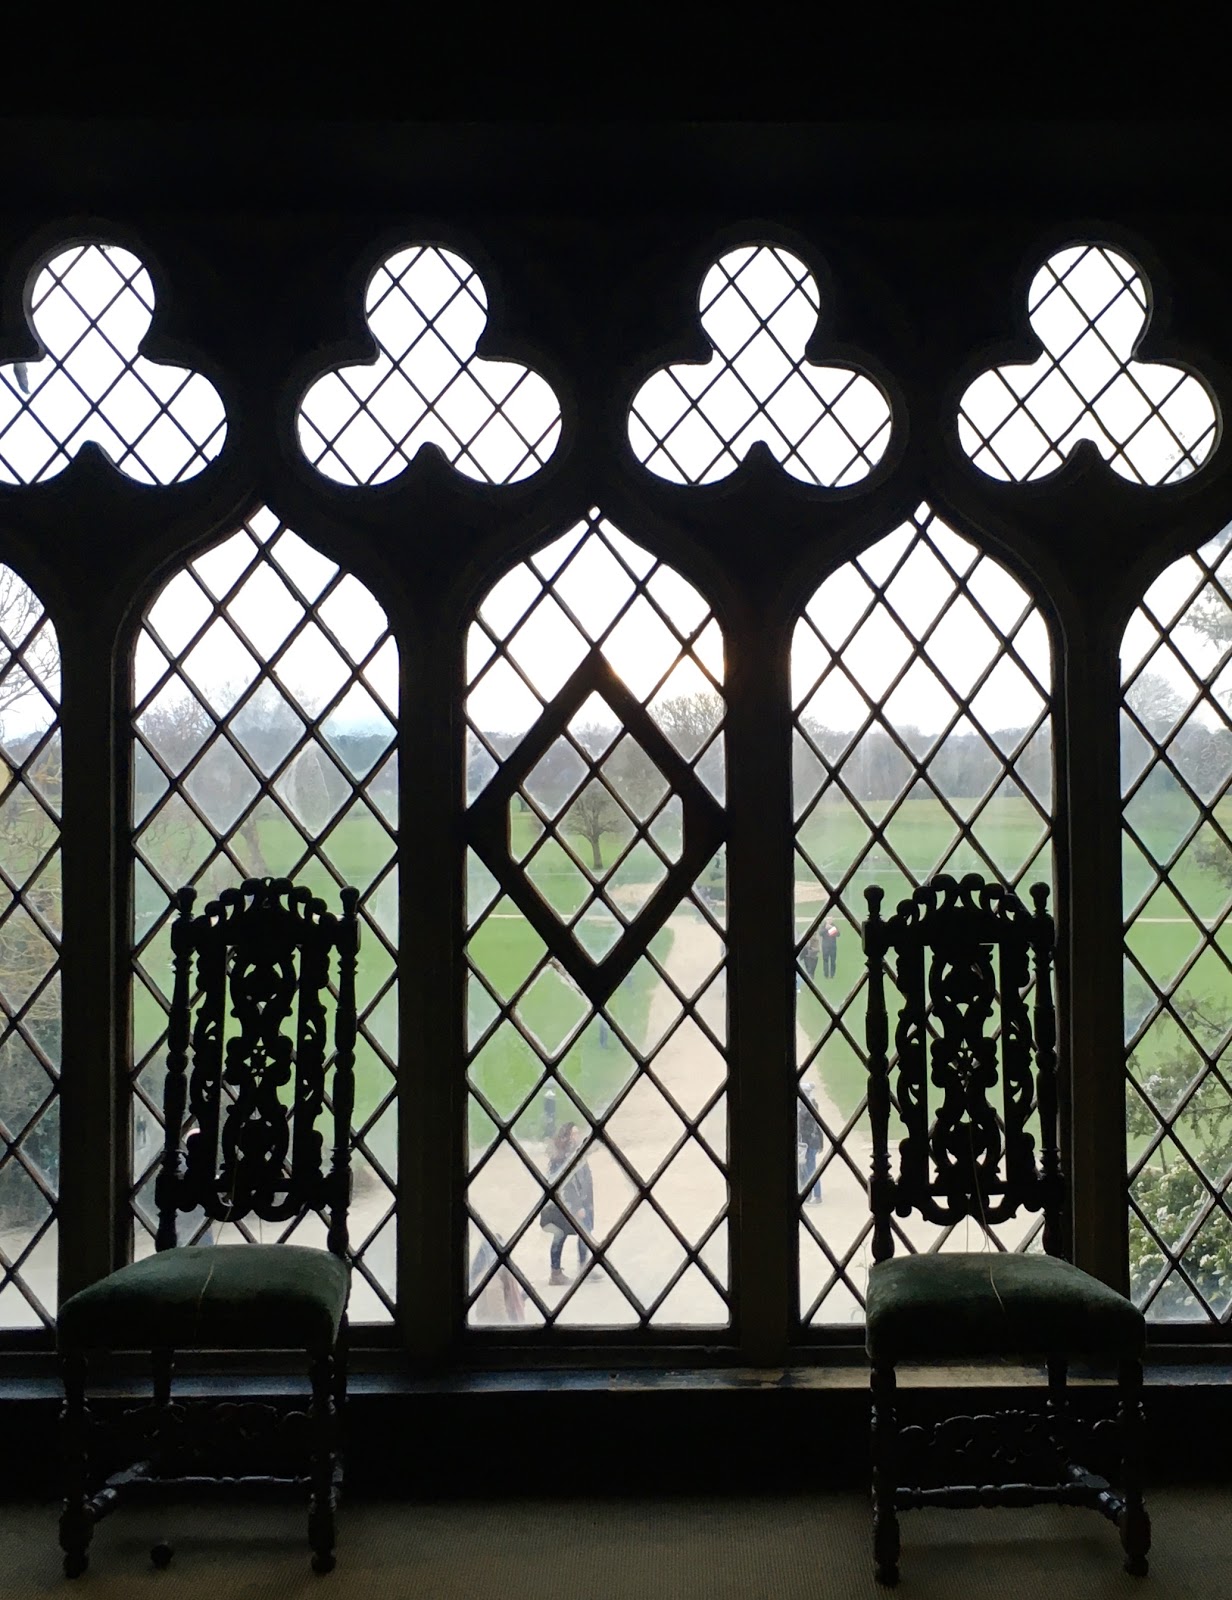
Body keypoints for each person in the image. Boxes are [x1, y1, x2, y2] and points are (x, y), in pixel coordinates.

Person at [539, 1122, 594, 1285]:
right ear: (567, 1136)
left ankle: (581, 1267)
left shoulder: (575, 1153)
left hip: (578, 1203)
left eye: (578, 1133)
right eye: (574, 1134)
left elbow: (584, 1179)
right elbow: (568, 1185)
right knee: (562, 1234)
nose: (577, 1136)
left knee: (585, 1231)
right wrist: (578, 1207)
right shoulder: (563, 1157)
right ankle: (557, 1272)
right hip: (564, 1206)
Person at [468, 1234, 526, 1323]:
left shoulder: (489, 1275)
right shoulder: (492, 1281)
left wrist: (522, 1297)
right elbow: (499, 1317)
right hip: (491, 1330)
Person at [797, 1084, 823, 1204]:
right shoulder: (813, 1104)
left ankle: (815, 1195)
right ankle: (811, 1194)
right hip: (813, 1141)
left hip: (808, 1142)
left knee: (810, 1169)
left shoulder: (805, 1106)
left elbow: (802, 1123)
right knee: (808, 1168)